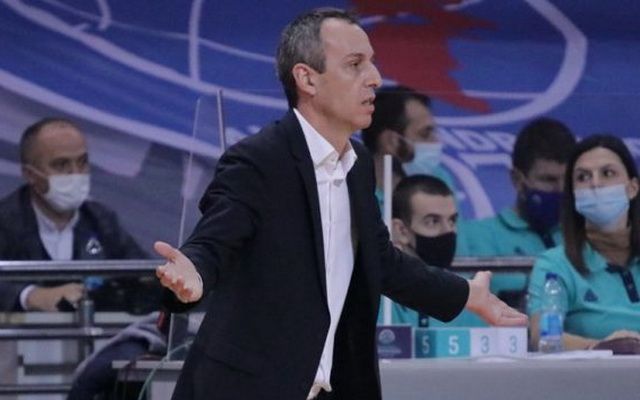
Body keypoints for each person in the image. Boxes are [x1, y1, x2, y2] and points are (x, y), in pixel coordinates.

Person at [155, 8, 526, 400]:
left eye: (372, 62)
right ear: (307, 79)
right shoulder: (259, 160)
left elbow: (382, 261)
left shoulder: (358, 164)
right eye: (355, 64)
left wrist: (466, 295)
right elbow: (215, 239)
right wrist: (195, 272)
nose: (375, 78)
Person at [0, 117, 153, 312]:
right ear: (30, 174)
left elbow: (140, 274)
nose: (75, 173)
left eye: (82, 162)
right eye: (61, 164)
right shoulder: (5, 219)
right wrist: (30, 296)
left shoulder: (100, 219)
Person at [527, 134, 640, 351]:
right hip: (593, 372)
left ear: (632, 188)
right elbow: (541, 336)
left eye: (608, 173)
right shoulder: (555, 265)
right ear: (574, 195)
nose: (595, 183)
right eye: (583, 177)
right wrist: (603, 348)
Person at [456, 117, 577, 307]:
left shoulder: (583, 237)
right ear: (517, 180)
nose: (560, 190)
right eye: (549, 180)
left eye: (568, 180)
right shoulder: (473, 237)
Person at [361, 85, 456, 208]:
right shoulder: (351, 190)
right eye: (425, 134)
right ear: (391, 142)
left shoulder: (438, 179)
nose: (436, 141)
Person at [381, 174, 458, 326]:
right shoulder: (381, 303)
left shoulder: (462, 298)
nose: (448, 230)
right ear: (401, 230)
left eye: (452, 220)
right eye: (433, 221)